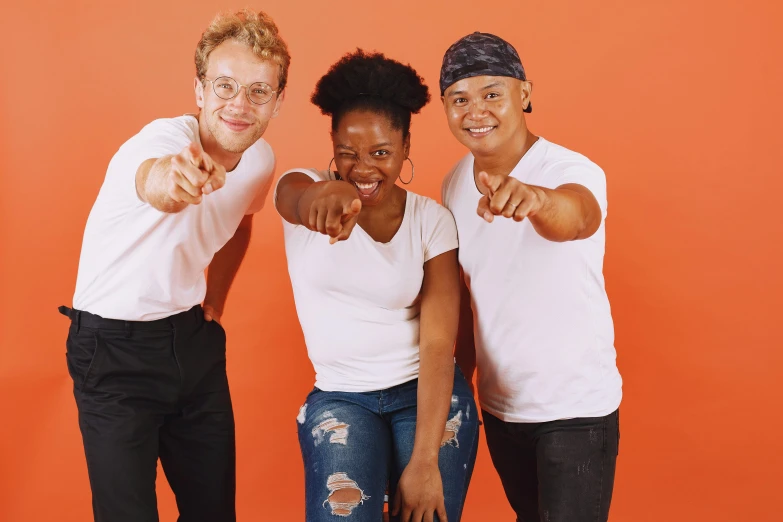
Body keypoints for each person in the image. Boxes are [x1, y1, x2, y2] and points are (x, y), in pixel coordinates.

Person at [58, 9, 289, 521]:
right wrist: (178, 181)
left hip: (192, 344)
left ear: (278, 101)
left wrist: (215, 301)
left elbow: (242, 221)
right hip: (113, 353)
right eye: (225, 85)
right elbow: (156, 181)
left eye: (258, 91)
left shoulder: (260, 160)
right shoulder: (156, 144)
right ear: (200, 90)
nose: (239, 104)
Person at [275, 49, 479, 522]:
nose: (363, 168)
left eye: (381, 153)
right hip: (340, 396)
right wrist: (329, 197)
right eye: (348, 153)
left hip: (426, 394)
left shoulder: (431, 220)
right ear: (332, 143)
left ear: (406, 146)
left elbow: (437, 342)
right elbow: (296, 200)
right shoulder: (302, 186)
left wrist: (425, 461)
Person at [439, 32, 622, 522]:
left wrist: (537, 199)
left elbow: (579, 215)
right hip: (501, 409)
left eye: (492, 94)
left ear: (525, 93)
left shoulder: (570, 168)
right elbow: (463, 296)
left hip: (574, 411)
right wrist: (455, 390)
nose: (476, 111)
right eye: (459, 99)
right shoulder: (455, 183)